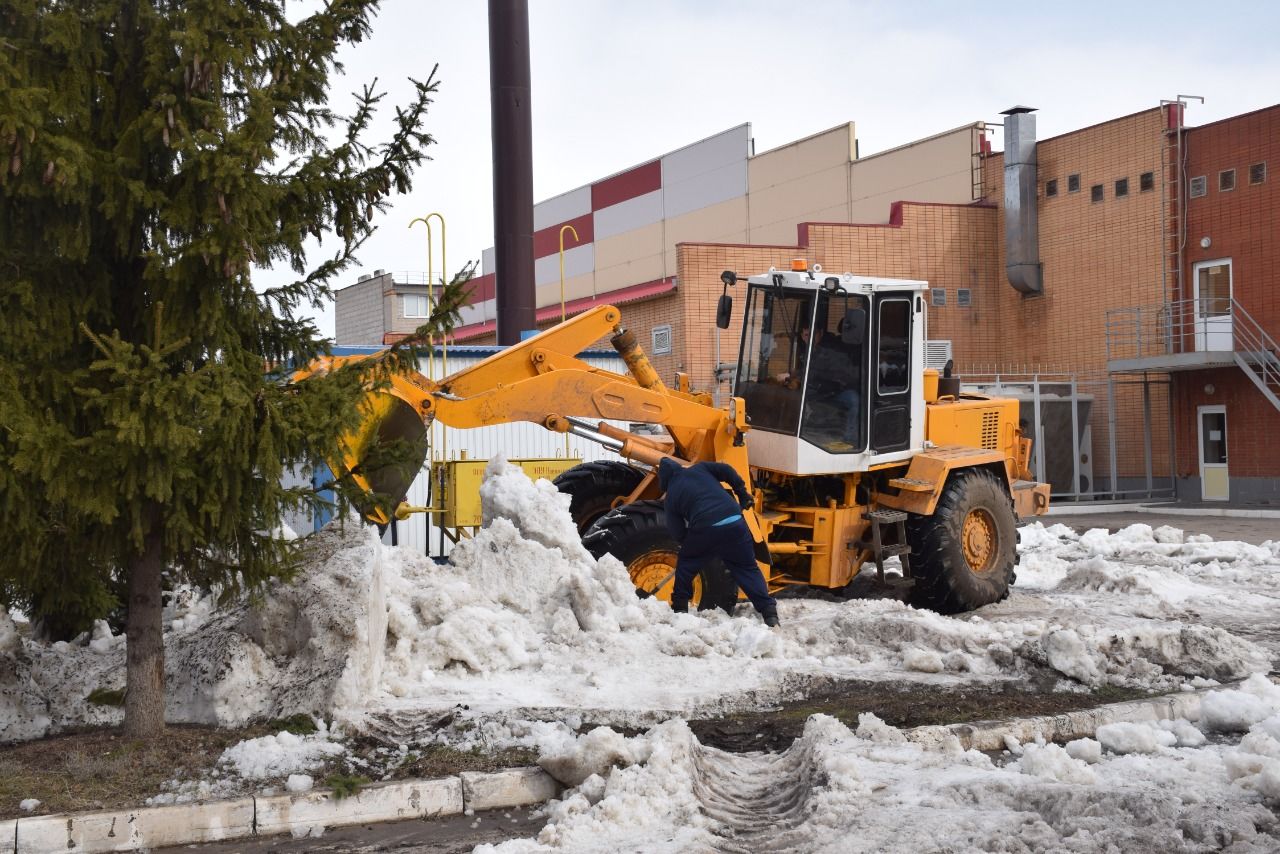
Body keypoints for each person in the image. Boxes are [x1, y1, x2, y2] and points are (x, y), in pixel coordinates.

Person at [657, 458, 780, 627]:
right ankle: (770, 614)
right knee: (747, 568)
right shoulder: (700, 468)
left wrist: (694, 545)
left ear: (664, 480)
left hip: (705, 527)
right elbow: (727, 470)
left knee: (686, 564)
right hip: (736, 522)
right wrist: (742, 493)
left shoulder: (671, 496)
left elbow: (676, 531)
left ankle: (680, 610)